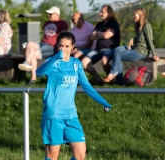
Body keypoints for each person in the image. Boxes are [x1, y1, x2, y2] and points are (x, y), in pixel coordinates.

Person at [36, 32, 111, 160]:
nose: (63, 49)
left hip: (71, 115)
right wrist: (55, 57)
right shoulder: (53, 62)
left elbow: (86, 86)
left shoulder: (76, 64)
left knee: (80, 155)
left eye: (66, 46)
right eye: (60, 46)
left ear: (72, 47)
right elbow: (39, 72)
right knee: (52, 156)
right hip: (54, 115)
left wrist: (103, 102)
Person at [103, 7, 159, 84]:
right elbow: (141, 38)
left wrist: (154, 54)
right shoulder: (139, 25)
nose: (133, 17)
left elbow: (150, 41)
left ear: (140, 15)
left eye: (134, 15)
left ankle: (114, 75)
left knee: (117, 55)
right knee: (117, 50)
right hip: (135, 48)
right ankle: (118, 78)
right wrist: (133, 38)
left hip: (141, 52)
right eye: (132, 15)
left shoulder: (147, 25)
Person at [18, 6, 68, 85]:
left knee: (34, 54)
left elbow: (64, 36)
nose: (48, 16)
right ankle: (29, 68)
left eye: (50, 14)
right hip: (42, 43)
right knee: (30, 43)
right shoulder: (46, 23)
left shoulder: (62, 23)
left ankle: (32, 75)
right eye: (48, 14)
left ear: (57, 14)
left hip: (52, 46)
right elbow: (45, 36)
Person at [80, 5, 120, 84]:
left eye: (102, 12)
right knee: (83, 63)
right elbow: (92, 37)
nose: (100, 13)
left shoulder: (114, 24)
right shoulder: (99, 24)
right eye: (100, 11)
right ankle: (99, 79)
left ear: (109, 13)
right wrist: (101, 34)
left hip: (110, 49)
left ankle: (112, 79)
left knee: (104, 61)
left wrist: (97, 33)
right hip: (98, 50)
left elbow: (106, 35)